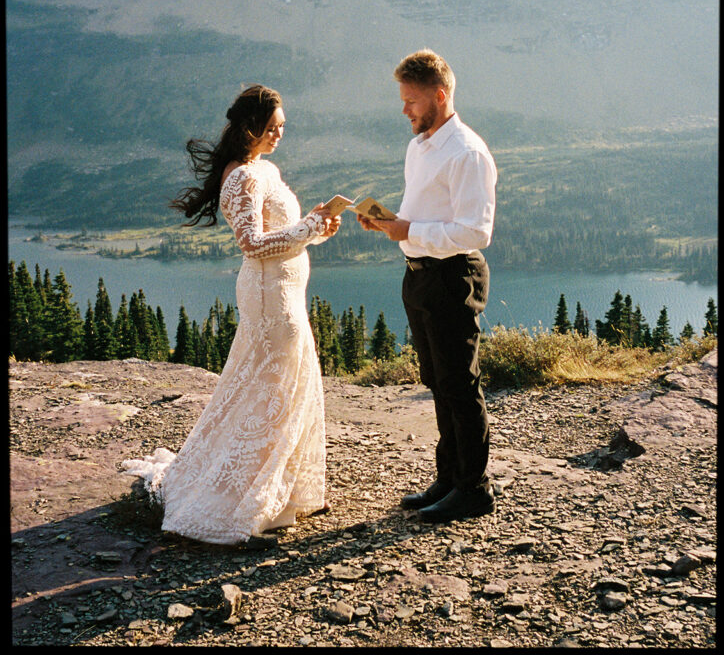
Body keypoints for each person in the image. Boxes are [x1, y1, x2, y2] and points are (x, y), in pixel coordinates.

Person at [122, 84, 341, 545]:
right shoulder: (242, 177)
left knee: (282, 383)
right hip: (269, 297)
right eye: (273, 127)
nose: (280, 134)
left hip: (284, 291)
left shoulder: (264, 169)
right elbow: (252, 244)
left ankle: (282, 490)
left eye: (282, 127)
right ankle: (242, 496)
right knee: (271, 386)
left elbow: (285, 234)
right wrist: (308, 227)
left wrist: (316, 228)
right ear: (251, 127)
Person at [358, 50, 497, 523]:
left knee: (460, 383)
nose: (405, 111)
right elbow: (425, 212)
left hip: (452, 275)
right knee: (436, 380)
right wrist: (392, 224)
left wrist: (409, 232)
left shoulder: (467, 152)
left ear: (440, 96)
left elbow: (475, 232)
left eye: (412, 101)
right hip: (418, 277)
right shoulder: (420, 146)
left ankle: (474, 490)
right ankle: (449, 477)